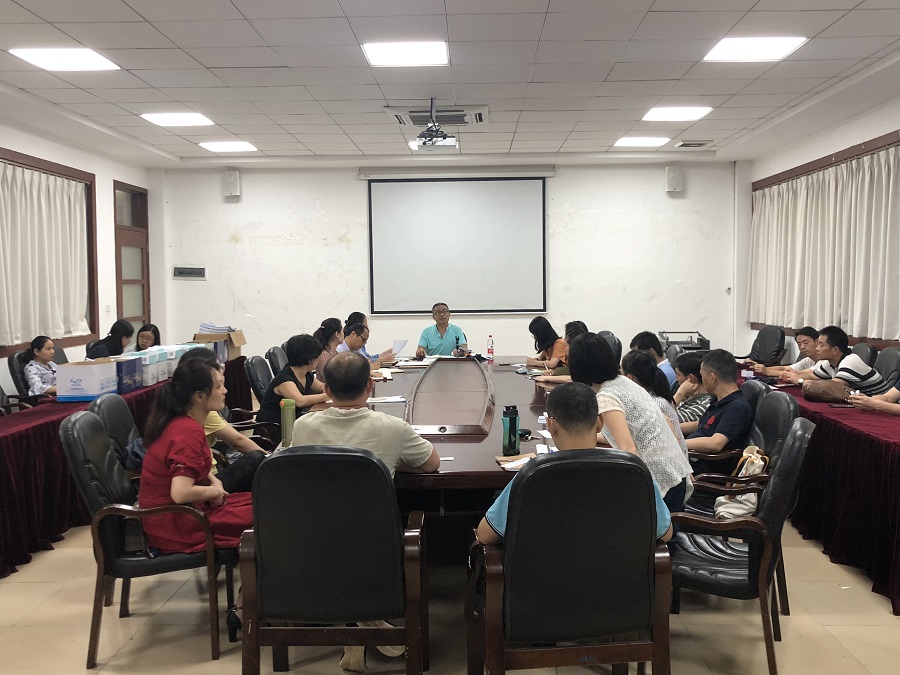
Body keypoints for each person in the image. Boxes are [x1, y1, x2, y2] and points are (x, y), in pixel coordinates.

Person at [476, 382, 672, 545]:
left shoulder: (535, 473)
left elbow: (485, 535)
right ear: (600, 422)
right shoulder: (633, 471)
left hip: (543, 579)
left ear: (550, 425)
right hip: (619, 579)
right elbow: (665, 533)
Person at [138, 357, 253, 554]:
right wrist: (213, 492)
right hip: (176, 524)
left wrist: (215, 482)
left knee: (262, 503)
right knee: (267, 516)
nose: (225, 391)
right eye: (219, 386)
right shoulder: (187, 431)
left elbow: (192, 468)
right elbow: (180, 493)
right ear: (199, 396)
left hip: (183, 512)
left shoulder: (182, 422)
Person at [569, 333, 692, 513]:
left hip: (660, 486)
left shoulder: (606, 397)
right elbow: (656, 424)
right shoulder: (623, 382)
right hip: (675, 475)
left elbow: (629, 450)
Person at [293, 352, 440, 477]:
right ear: (370, 385)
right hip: (374, 504)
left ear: (327, 390)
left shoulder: (302, 426)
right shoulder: (395, 428)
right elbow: (432, 464)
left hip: (316, 503)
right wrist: (392, 461)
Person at [180, 347, 267, 493]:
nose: (225, 390)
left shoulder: (194, 407)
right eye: (217, 366)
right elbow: (238, 441)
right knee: (258, 460)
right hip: (206, 485)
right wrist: (271, 460)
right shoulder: (193, 417)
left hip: (211, 475)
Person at [683, 349, 753, 476]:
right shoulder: (719, 399)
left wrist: (679, 444)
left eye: (702, 376)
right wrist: (670, 427)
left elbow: (715, 443)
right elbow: (700, 424)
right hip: (691, 458)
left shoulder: (737, 408)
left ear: (712, 378)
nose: (701, 380)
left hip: (703, 470)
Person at [621, 350, 690, 467]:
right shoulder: (652, 398)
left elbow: (624, 437)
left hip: (671, 469)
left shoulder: (654, 404)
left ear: (629, 378)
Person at [257, 334, 328, 446]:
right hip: (275, 428)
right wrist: (329, 394)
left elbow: (320, 387)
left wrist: (334, 388)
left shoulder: (305, 373)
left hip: (291, 421)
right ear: (311, 359)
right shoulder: (285, 379)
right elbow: (300, 401)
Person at [780, 325, 890, 396]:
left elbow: (832, 387)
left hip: (881, 406)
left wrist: (800, 381)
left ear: (834, 350)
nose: (817, 348)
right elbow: (812, 376)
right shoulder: (829, 362)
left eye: (821, 345)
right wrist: (791, 376)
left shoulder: (850, 362)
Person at [748, 326, 818, 376]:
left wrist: (766, 371)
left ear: (817, 342)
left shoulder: (822, 362)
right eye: (799, 344)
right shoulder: (808, 360)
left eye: (806, 343)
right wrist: (760, 367)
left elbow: (799, 374)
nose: (802, 347)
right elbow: (786, 368)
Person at [672, 352, 713, 426]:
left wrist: (679, 394)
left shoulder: (704, 405)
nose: (676, 379)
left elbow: (661, 419)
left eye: (678, 375)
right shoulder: (688, 397)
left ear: (690, 378)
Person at [313, 317, 343, 383]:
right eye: (342, 331)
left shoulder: (335, 353)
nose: (344, 334)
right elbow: (330, 378)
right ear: (337, 334)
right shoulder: (324, 355)